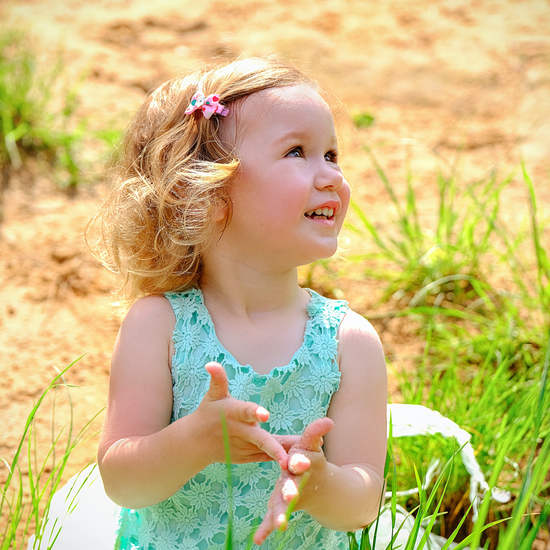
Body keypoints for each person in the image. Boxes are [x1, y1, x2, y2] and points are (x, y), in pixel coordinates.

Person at [90, 55, 388, 550]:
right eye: (297, 152)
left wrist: (318, 483)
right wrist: (195, 440)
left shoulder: (348, 343)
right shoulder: (158, 326)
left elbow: (363, 505)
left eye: (332, 155)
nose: (331, 175)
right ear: (206, 191)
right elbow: (122, 481)